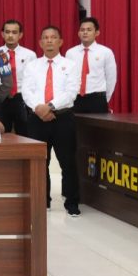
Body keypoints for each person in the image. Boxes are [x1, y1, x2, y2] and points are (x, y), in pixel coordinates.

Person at [22, 26, 82, 217]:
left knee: (68, 162)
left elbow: (72, 92)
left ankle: (72, 203)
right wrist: (39, 108)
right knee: (40, 163)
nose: (49, 40)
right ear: (40, 42)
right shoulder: (32, 66)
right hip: (37, 118)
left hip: (62, 117)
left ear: (60, 41)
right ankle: (42, 201)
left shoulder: (71, 65)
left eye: (53, 37)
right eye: (45, 38)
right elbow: (26, 91)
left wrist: (50, 106)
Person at [65, 17, 117, 113]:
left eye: (89, 30)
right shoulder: (70, 53)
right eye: (82, 30)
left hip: (97, 99)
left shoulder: (106, 52)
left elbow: (111, 79)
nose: (85, 32)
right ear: (78, 33)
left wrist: (105, 99)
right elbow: (67, 78)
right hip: (75, 99)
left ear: (97, 33)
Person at [0, 20, 37, 136]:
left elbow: (34, 80)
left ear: (20, 35)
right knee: (1, 134)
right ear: (2, 34)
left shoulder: (30, 55)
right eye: (7, 32)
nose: (10, 35)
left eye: (14, 32)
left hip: (22, 97)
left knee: (25, 133)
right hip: (1, 97)